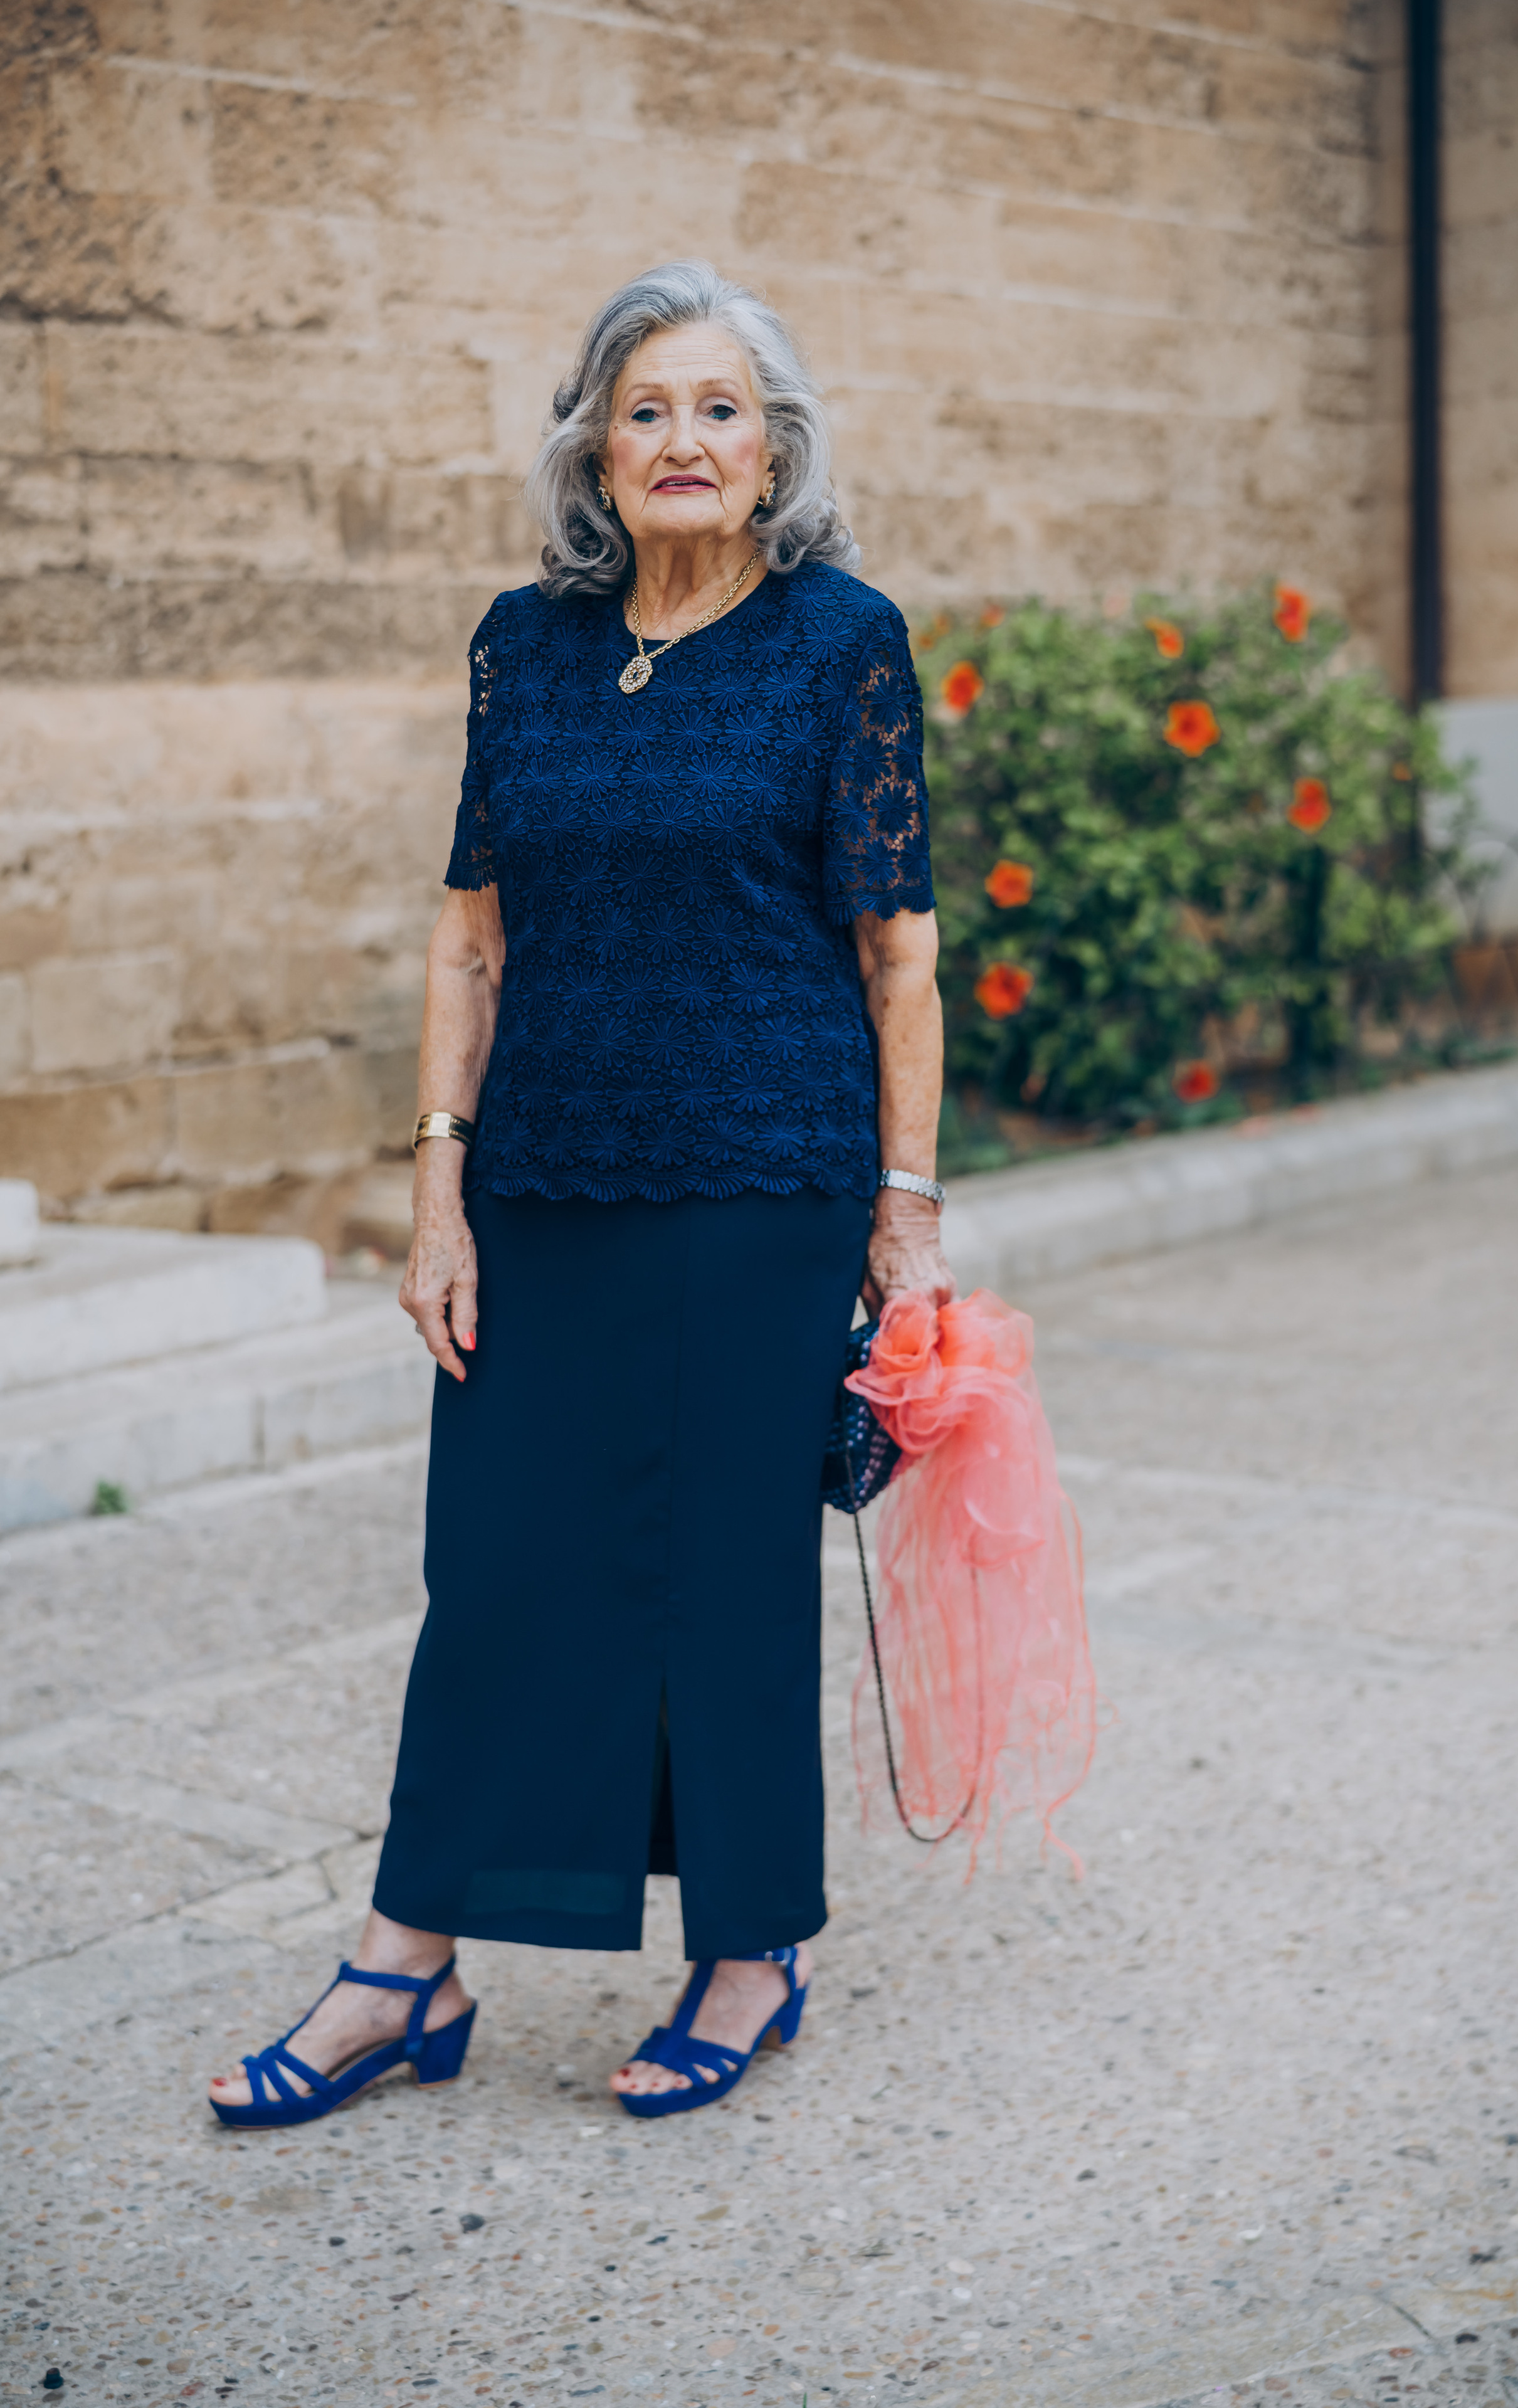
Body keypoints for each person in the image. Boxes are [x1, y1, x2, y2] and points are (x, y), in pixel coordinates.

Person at [209, 259, 952, 2128]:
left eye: (720, 409)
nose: (684, 440)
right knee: (499, 1575)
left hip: (761, 1183)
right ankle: (410, 1969)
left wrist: (907, 1207)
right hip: (540, 1179)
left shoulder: (840, 639)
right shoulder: (519, 646)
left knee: (719, 1581)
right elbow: (471, 943)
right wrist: (434, 1195)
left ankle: (755, 1950)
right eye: (648, 410)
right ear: (593, 450)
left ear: (773, 448)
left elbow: (901, 957)